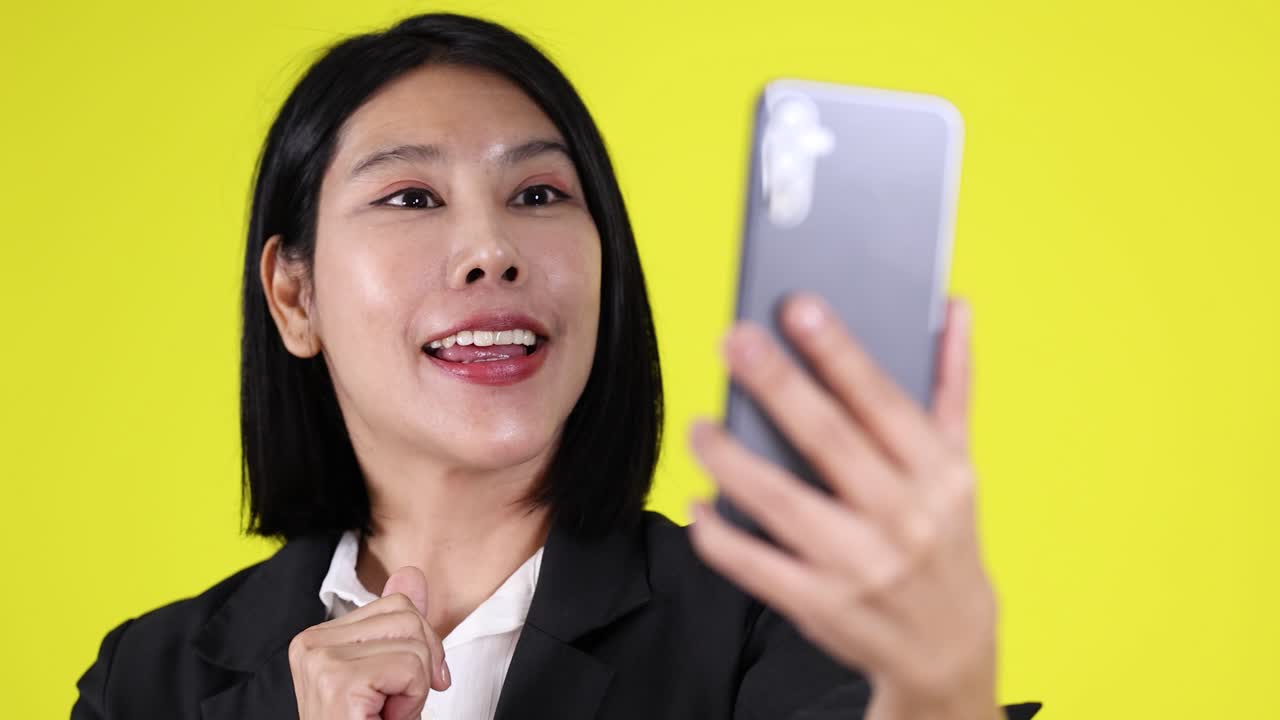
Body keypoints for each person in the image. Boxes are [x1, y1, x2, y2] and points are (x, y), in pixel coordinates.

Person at [71, 13, 1041, 720]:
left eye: (538, 191)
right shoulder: (149, 682)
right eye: (410, 198)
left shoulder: (778, 632)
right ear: (294, 296)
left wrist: (943, 682)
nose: (490, 248)